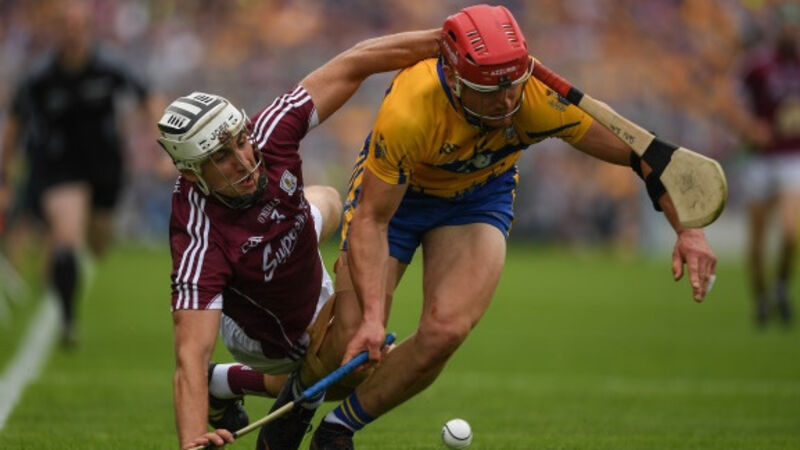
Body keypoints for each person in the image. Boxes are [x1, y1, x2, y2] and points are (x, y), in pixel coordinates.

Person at [309, 5, 718, 449]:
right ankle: (282, 392)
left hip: (477, 198)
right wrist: (373, 319)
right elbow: (372, 218)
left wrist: (689, 230)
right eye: (489, 92)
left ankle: (338, 429)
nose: (506, 102)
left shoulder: (539, 96)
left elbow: (645, 156)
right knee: (349, 350)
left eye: (513, 87)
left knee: (446, 330)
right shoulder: (411, 107)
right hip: (399, 201)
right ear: (457, 80)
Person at [157, 30, 440, 450]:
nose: (244, 162)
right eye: (220, 158)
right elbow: (190, 357)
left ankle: (229, 382)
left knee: (329, 199)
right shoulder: (200, 238)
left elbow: (355, 62)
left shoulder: (269, 132)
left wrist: (447, 40)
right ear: (191, 173)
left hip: (294, 251)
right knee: (356, 369)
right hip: (267, 328)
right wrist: (193, 438)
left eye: (240, 142)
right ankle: (283, 389)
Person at [0, 1, 157, 346]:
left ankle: (61, 260)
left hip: (105, 167)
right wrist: (5, 176)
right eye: (66, 26)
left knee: (98, 244)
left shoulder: (109, 67)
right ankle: (67, 320)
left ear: (89, 30)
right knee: (68, 238)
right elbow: (14, 125)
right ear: (57, 31)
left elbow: (147, 98)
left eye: (79, 26)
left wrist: (159, 145)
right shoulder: (40, 77)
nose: (72, 33)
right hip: (60, 167)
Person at [738, 16, 799, 327]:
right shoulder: (757, 65)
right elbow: (731, 102)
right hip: (760, 158)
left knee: (791, 230)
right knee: (757, 241)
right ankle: (761, 297)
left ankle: (781, 286)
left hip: (792, 156)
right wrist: (750, 128)